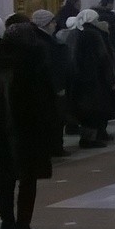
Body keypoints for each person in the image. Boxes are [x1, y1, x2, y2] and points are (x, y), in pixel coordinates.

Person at [0, 21, 55, 229]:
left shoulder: (1, 62)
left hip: (1, 130)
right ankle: (23, 227)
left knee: (4, 180)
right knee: (27, 179)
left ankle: (7, 227)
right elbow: (42, 101)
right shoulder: (32, 64)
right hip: (27, 130)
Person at [69, 9, 115, 148]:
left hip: (81, 78)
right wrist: (110, 78)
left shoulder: (79, 32)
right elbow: (103, 58)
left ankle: (88, 137)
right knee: (93, 110)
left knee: (87, 111)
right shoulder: (93, 34)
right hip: (94, 79)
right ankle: (89, 139)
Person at [29, 10, 68, 157]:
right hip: (49, 88)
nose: (55, 24)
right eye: (52, 22)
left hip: (46, 87)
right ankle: (54, 147)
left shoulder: (40, 39)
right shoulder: (43, 42)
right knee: (54, 118)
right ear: (45, 24)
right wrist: (57, 86)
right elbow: (50, 67)